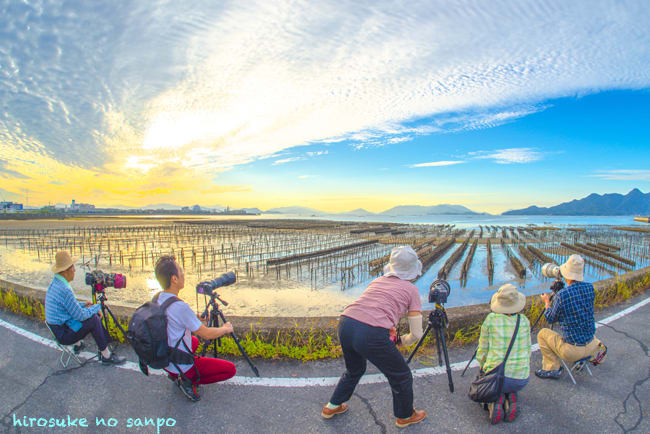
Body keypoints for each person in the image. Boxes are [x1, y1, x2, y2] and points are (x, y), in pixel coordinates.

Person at [322, 246, 427, 429]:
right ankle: (405, 416)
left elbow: (372, 309)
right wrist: (401, 341)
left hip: (346, 322)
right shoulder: (411, 290)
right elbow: (417, 334)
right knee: (401, 375)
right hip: (370, 332)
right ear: (413, 270)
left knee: (354, 370)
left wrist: (387, 330)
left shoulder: (377, 281)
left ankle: (332, 406)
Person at [154, 255, 236, 401]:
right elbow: (206, 334)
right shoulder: (180, 307)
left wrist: (196, 318)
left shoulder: (158, 297)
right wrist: (225, 328)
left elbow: (173, 317)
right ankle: (188, 380)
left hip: (165, 359)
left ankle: (174, 374)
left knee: (194, 342)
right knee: (230, 370)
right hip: (182, 365)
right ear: (174, 279)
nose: (183, 274)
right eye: (180, 271)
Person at [45, 251, 125, 365]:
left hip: (58, 328)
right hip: (64, 334)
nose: (75, 270)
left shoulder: (56, 284)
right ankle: (106, 355)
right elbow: (80, 315)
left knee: (90, 313)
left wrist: (83, 304)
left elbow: (67, 307)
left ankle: (79, 345)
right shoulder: (64, 289)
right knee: (93, 319)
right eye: (73, 267)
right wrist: (98, 307)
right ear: (65, 271)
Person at [535, 254, 607, 379]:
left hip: (572, 351)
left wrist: (547, 302)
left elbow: (550, 318)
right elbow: (578, 307)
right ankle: (580, 361)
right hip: (591, 345)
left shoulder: (562, 295)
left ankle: (552, 368)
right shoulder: (590, 288)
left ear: (565, 272)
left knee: (542, 334)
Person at [475, 284, 531, 424]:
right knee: (510, 378)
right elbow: (528, 350)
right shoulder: (524, 320)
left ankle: (497, 400)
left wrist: (483, 367)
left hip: (497, 377)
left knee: (493, 375)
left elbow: (482, 351)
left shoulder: (491, 320)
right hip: (522, 378)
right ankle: (511, 397)